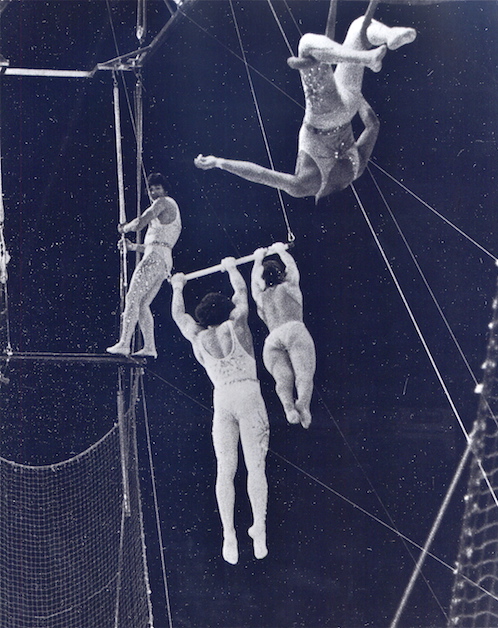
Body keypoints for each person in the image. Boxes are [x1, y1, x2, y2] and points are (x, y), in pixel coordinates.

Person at [194, 16, 416, 202]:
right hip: (325, 116)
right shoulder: (304, 187)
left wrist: (357, 98)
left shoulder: (356, 172)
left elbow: (373, 125)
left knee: (360, 27)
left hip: (348, 106)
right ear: (319, 200)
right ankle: (367, 56)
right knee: (307, 45)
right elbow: (260, 175)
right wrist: (218, 162)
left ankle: (388, 37)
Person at [170, 258, 269, 565]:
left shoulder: (198, 337)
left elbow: (179, 315)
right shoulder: (236, 323)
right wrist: (230, 268)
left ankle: (229, 534)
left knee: (224, 469)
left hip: (223, 400)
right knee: (255, 467)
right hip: (248, 394)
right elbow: (241, 293)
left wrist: (177, 286)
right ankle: (259, 529)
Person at [107, 173, 181, 358]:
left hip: (156, 257)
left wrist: (124, 228)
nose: (154, 192)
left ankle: (124, 343)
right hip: (161, 257)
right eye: (151, 189)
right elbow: (156, 243)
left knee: (133, 297)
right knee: (142, 303)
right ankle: (149, 347)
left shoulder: (163, 202)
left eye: (157, 188)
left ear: (164, 189)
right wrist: (132, 247)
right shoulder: (166, 208)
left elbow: (140, 223)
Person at [251, 243, 316, 429]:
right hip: (293, 329)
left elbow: (254, 280)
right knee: (303, 375)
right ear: (282, 274)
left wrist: (257, 259)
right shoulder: (290, 286)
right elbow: (292, 266)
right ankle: (303, 405)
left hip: (272, 339)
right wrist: (281, 250)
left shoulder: (260, 296)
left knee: (283, 379)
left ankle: (288, 407)